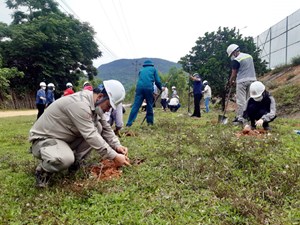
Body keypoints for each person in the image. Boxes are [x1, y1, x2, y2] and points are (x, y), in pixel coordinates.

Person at [29, 79, 130, 188]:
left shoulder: (94, 102)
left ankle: (75, 164)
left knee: (99, 127)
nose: (107, 110)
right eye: (109, 106)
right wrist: (114, 156)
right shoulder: (80, 105)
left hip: (62, 139)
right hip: (44, 140)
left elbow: (106, 128)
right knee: (65, 159)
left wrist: (117, 145)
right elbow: (91, 135)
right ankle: (43, 171)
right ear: (100, 97)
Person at [227, 44, 257, 124]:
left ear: (234, 52)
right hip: (252, 80)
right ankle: (249, 117)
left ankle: (241, 118)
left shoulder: (236, 60)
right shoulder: (249, 56)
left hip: (242, 81)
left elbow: (234, 73)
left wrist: (231, 81)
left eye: (231, 55)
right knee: (249, 100)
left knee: (241, 101)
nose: (232, 56)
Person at [126, 60, 162, 126]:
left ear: (144, 65)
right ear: (152, 65)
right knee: (149, 105)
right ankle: (150, 123)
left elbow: (141, 79)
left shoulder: (141, 70)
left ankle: (129, 123)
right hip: (148, 88)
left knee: (136, 105)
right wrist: (161, 88)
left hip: (139, 88)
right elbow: (157, 81)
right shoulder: (153, 69)